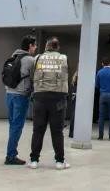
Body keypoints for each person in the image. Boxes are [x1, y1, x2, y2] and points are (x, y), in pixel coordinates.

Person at [29, 37, 70, 170]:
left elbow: (32, 75)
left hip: (40, 97)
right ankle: (59, 161)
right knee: (57, 131)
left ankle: (34, 160)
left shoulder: (37, 58)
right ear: (58, 47)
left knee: (38, 130)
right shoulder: (63, 58)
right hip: (58, 98)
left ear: (46, 47)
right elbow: (65, 75)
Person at [4, 35, 37, 165]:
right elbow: (34, 78)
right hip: (21, 96)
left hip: (9, 94)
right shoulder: (30, 60)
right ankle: (11, 156)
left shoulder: (13, 56)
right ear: (30, 46)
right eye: (34, 45)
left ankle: (11, 153)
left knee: (13, 125)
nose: (35, 48)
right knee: (17, 126)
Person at [68, 72, 78, 138]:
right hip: (76, 98)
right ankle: (73, 133)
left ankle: (71, 133)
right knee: (75, 116)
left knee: (73, 115)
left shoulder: (73, 83)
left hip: (73, 98)